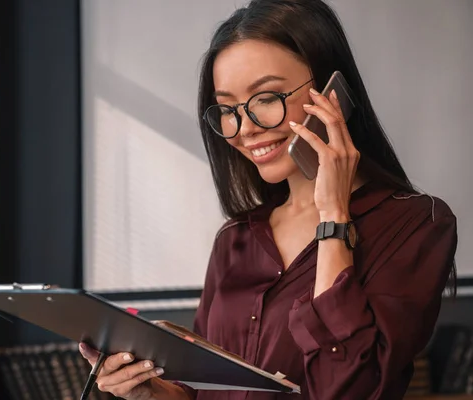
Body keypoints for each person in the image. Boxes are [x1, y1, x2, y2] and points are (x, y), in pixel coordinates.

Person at [79, 0, 458, 398]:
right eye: (227, 109)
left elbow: (350, 389)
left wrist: (333, 216)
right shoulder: (236, 239)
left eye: (266, 97)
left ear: (333, 92)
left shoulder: (417, 223)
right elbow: (201, 392)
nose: (244, 129)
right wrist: (149, 392)